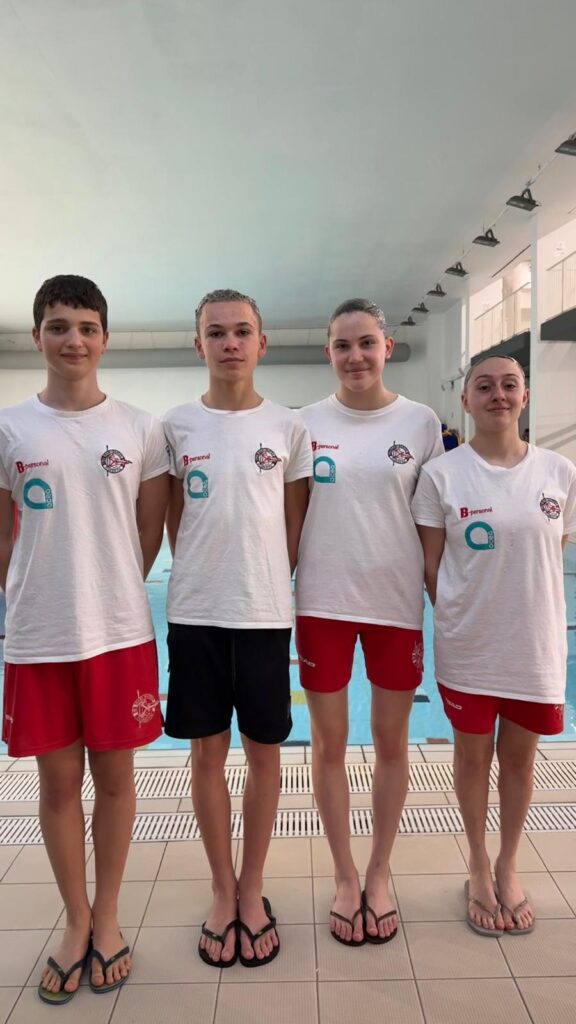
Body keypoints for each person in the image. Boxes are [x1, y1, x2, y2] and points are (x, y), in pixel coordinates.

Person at [0, 275, 169, 1003]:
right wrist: (35, 594)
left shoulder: (140, 428)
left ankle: (109, 916)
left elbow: (148, 531)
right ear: (37, 335)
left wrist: (109, 588)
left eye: (87, 327)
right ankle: (76, 920)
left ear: (105, 338)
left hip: (119, 633)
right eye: (59, 326)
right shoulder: (10, 428)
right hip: (40, 636)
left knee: (117, 780)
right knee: (58, 783)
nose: (74, 340)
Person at [163, 288, 311, 967]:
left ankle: (253, 889)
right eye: (216, 332)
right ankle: (222, 891)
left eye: (242, 331)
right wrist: (205, 572)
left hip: (263, 614)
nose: (229, 343)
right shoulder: (174, 426)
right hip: (195, 611)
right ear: (198, 344)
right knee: (205, 757)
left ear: (261, 343)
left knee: (264, 755)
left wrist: (263, 581)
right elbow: (175, 520)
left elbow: (293, 525)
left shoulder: (287, 426)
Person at [295, 298, 444, 945]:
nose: (354, 356)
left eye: (365, 343)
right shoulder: (303, 424)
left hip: (393, 606)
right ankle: (344, 875)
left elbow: (432, 520)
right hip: (321, 604)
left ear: (386, 346)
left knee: (390, 744)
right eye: (342, 345)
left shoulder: (421, 421)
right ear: (328, 352)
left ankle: (379, 871)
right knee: (327, 746)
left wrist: (446, 601)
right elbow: (290, 518)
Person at [412, 354, 576, 936]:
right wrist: (463, 616)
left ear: (524, 396)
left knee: (520, 761)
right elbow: (431, 569)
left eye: (509, 385)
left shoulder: (559, 472)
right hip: (471, 646)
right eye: (484, 386)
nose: (498, 395)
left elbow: (550, 555)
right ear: (466, 401)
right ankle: (478, 865)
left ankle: (509, 863)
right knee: (473, 758)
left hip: (534, 646)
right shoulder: (441, 475)